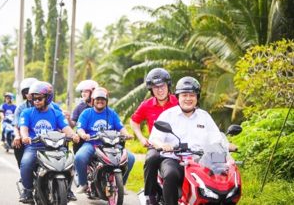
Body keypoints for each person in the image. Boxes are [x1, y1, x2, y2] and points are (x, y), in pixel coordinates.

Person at [148, 76, 229, 205]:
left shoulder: (204, 116)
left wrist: (227, 145)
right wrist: (163, 145)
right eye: (184, 95)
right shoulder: (168, 115)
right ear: (178, 97)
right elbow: (155, 139)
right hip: (174, 159)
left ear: (197, 98)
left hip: (201, 160)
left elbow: (216, 137)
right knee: (170, 174)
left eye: (192, 95)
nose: (188, 99)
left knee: (222, 177)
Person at [18, 81, 79, 203]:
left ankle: (67, 190)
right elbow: (23, 128)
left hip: (56, 147)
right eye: (34, 99)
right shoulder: (27, 113)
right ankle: (27, 191)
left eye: (39, 98)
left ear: (48, 98)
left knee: (71, 162)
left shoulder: (56, 113)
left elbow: (66, 128)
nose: (36, 101)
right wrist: (24, 137)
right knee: (25, 163)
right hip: (34, 147)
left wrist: (73, 135)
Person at [129, 68, 178, 203]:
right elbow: (134, 121)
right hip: (156, 144)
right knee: (152, 159)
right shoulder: (146, 105)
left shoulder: (179, 102)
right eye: (155, 87)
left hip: (179, 144)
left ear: (168, 86)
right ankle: (150, 195)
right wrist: (141, 137)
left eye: (162, 86)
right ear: (151, 89)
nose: (159, 90)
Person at [74, 87, 135, 193]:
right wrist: (83, 135)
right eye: (97, 99)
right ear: (93, 101)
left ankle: (122, 184)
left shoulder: (112, 113)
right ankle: (83, 184)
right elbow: (79, 128)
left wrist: (127, 134)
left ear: (106, 101)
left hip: (111, 145)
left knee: (130, 158)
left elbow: (121, 128)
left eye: (102, 99)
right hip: (92, 144)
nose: (100, 102)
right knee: (79, 157)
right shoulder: (86, 113)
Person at [66, 80, 98, 154]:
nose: (83, 94)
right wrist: (68, 119)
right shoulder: (79, 108)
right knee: (79, 158)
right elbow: (72, 125)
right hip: (81, 141)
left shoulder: (101, 108)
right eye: (82, 92)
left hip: (98, 141)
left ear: (93, 92)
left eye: (86, 91)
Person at [12, 78, 37, 168]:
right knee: (17, 144)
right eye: (26, 92)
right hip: (27, 136)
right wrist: (18, 136)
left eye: (32, 92)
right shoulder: (21, 108)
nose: (29, 94)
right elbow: (16, 125)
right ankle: (22, 169)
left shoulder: (50, 106)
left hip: (45, 135)